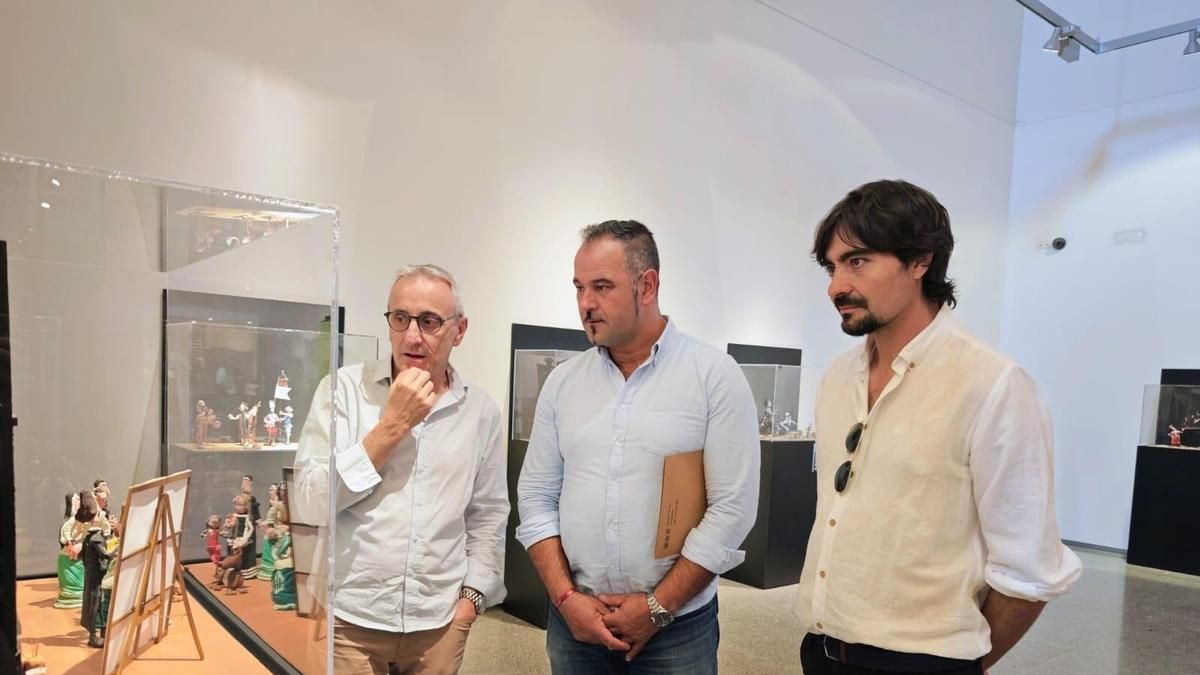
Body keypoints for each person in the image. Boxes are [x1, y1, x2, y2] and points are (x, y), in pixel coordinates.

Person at [795, 180, 1082, 674]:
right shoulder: (838, 377)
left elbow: (1028, 573)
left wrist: (959, 665)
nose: (836, 285)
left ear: (920, 261)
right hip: (822, 650)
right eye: (831, 266)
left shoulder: (993, 384)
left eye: (858, 261)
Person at [516, 221, 760, 674]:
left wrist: (657, 607)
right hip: (575, 623)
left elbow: (732, 508)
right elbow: (535, 498)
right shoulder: (563, 384)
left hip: (676, 628)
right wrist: (566, 598)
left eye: (602, 287)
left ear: (647, 286)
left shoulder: (713, 377)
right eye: (579, 288)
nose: (586, 304)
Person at [294, 264, 508, 675]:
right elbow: (309, 501)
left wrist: (472, 600)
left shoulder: (480, 412)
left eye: (429, 321)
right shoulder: (342, 391)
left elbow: (488, 514)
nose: (412, 335)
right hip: (351, 620)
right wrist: (391, 426)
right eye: (400, 318)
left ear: (459, 330)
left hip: (440, 623)